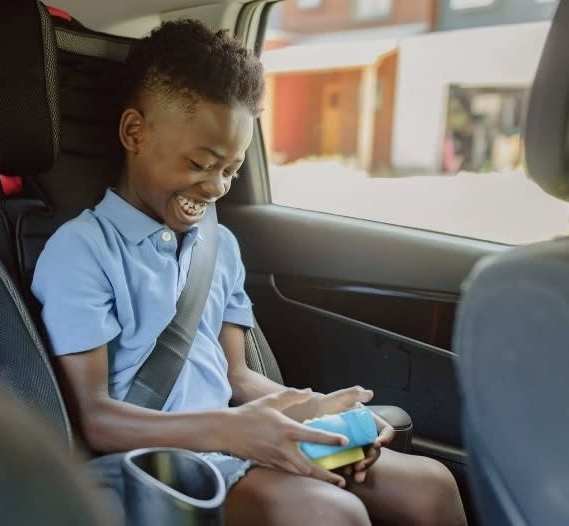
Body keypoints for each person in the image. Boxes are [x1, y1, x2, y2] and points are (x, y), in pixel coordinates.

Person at [32, 19, 467, 526]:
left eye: (231, 169)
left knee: (432, 487)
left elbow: (236, 376)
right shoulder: (81, 251)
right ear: (135, 132)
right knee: (332, 513)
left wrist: (313, 411)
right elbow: (97, 418)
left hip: (239, 441)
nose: (217, 186)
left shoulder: (218, 246)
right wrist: (233, 430)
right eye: (201, 162)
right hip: (160, 468)